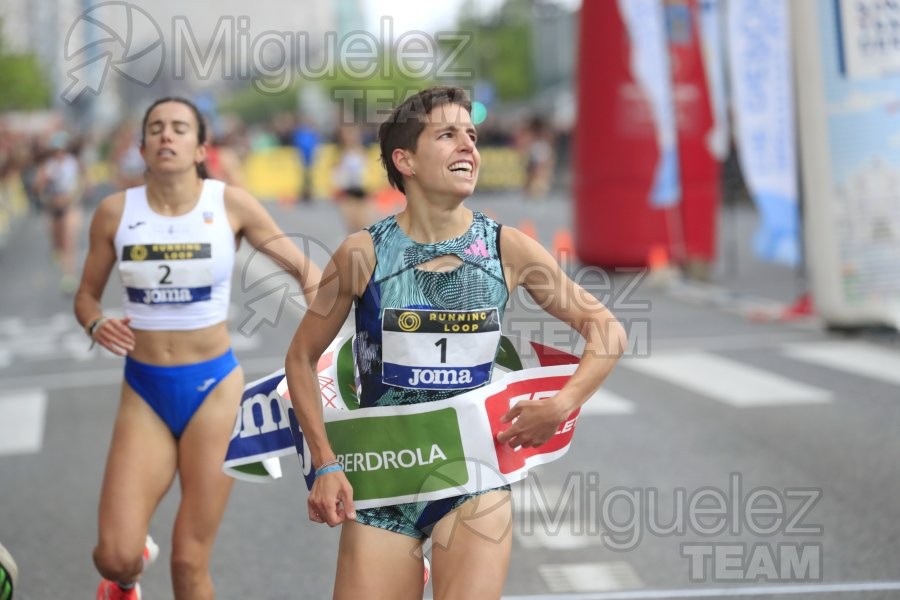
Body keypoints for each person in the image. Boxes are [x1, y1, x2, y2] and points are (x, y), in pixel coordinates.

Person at [284, 86, 626, 599]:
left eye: (472, 135)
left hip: (474, 478)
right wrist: (325, 463)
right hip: (385, 479)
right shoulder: (363, 254)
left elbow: (607, 331)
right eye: (447, 135)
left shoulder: (505, 247)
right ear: (406, 161)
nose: (468, 145)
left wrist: (562, 404)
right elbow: (300, 358)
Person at [74, 97, 321, 600]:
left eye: (180, 129)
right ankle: (127, 574)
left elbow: (303, 270)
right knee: (113, 554)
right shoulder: (115, 213)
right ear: (141, 147)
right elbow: (85, 297)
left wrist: (326, 337)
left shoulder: (229, 204)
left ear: (200, 147)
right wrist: (96, 321)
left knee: (189, 562)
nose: (167, 136)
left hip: (215, 392)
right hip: (144, 391)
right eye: (156, 128)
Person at [35, 131, 84, 293]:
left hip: (70, 206)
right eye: (56, 150)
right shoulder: (47, 166)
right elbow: (37, 188)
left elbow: (83, 184)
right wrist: (44, 181)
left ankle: (69, 276)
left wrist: (73, 195)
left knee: (69, 240)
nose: (59, 153)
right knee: (58, 242)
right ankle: (56, 251)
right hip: (52, 207)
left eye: (62, 149)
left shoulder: (73, 164)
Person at [331, 123, 376, 233]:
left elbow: (371, 170)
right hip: (347, 192)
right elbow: (334, 172)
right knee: (351, 227)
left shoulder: (363, 151)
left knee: (365, 226)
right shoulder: (339, 153)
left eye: (352, 134)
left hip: (362, 190)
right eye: (346, 135)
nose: (350, 137)